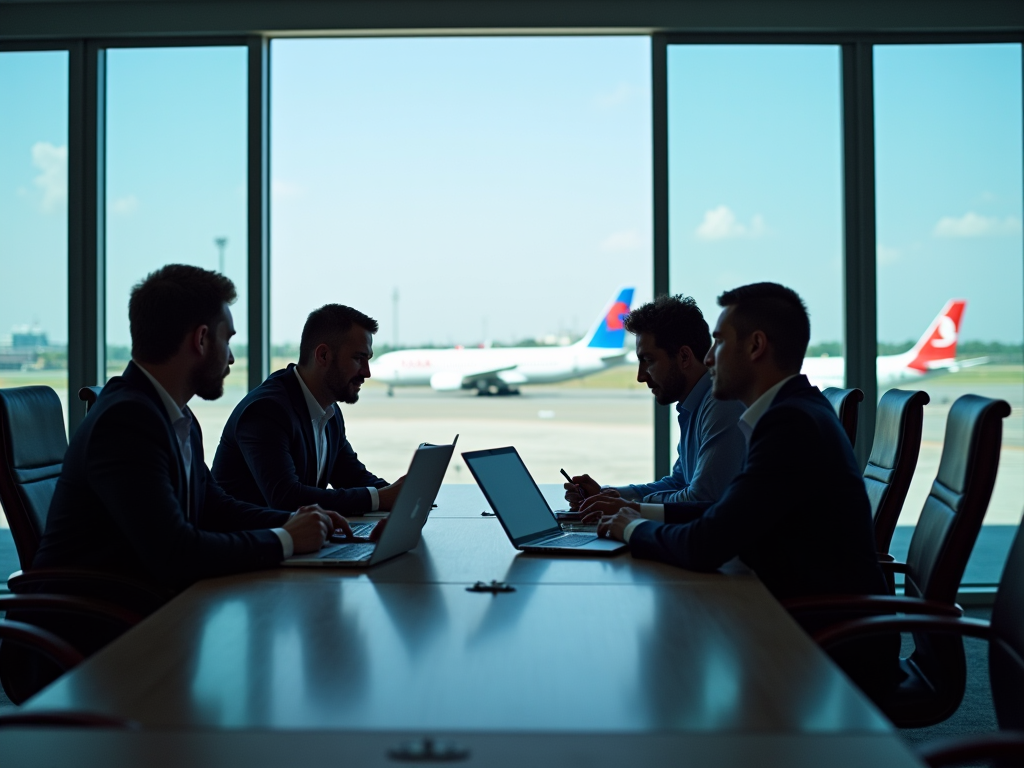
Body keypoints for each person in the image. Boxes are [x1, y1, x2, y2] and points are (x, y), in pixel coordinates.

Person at [596, 282, 899, 698]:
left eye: (718, 342)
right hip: (809, 620)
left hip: (829, 643)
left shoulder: (789, 426)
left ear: (756, 346)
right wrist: (636, 514)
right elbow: (725, 513)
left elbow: (707, 542)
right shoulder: (791, 411)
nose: (706, 358)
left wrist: (631, 529)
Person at [33, 265, 351, 593]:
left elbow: (215, 508)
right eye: (227, 340)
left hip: (146, 613)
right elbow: (175, 553)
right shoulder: (126, 421)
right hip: (98, 631)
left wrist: (298, 521)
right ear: (200, 339)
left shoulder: (174, 417)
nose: (230, 359)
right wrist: (285, 539)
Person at [563, 295, 745, 522]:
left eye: (648, 360)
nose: (640, 376)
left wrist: (626, 506)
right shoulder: (695, 405)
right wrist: (609, 495)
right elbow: (679, 483)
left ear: (684, 357)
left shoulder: (721, 404)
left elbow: (702, 498)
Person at [212, 304, 402, 516]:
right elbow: (286, 498)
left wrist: (403, 493)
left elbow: (352, 477)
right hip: (251, 545)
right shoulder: (266, 410)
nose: (367, 373)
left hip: (298, 544)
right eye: (359, 358)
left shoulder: (329, 411)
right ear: (322, 356)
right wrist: (379, 498)